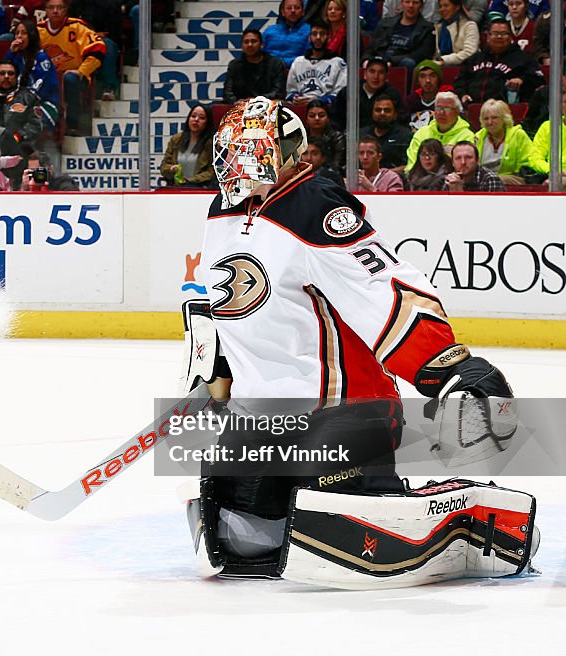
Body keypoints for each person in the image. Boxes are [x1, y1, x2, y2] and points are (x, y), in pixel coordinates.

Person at [188, 97, 524, 583]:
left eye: (251, 152)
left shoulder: (316, 206)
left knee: (334, 533)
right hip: (260, 407)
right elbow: (224, 300)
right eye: (231, 152)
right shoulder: (221, 211)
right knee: (240, 537)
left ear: (286, 152)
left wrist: (445, 365)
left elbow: (382, 285)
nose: (237, 166)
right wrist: (214, 366)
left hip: (342, 407)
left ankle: (458, 519)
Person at [38, 0, 107, 135]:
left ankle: (72, 125)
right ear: (45, 11)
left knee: (70, 79)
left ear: (66, 10)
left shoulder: (77, 26)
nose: (55, 11)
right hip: (47, 77)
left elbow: (99, 48)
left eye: (60, 7)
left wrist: (82, 71)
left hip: (75, 76)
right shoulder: (38, 30)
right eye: (51, 8)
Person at [454, 19, 544, 106]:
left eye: (504, 34)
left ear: (510, 37)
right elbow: (460, 81)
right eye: (495, 33)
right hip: (472, 107)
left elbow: (538, 80)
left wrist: (522, 80)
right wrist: (463, 95)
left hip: (505, 110)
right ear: (488, 36)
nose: (499, 37)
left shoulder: (524, 59)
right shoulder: (474, 59)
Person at [7, 19, 59, 131]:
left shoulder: (42, 58)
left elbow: (41, 88)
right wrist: (11, 53)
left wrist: (21, 104)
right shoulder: (17, 57)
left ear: (32, 36)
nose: (19, 37)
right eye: (17, 33)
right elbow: (5, 76)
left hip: (45, 104)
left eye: (24, 33)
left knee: (17, 117)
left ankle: (21, 144)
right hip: (20, 102)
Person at [474, 98, 537, 185]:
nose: (489, 122)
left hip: (514, 178)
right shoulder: (478, 137)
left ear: (504, 118)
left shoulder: (518, 135)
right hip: (484, 179)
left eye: (494, 118)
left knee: (496, 180)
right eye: (486, 119)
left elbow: (528, 163)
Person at [405, 90, 474, 168]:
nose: (441, 112)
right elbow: (412, 164)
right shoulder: (422, 133)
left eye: (447, 108)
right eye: (438, 108)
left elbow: (464, 167)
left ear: (457, 112)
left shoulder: (466, 136)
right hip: (421, 178)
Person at [286, 22, 348, 108]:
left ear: (329, 38)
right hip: (300, 106)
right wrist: (295, 98)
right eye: (314, 34)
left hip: (327, 109)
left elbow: (340, 93)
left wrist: (320, 101)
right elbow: (290, 92)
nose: (318, 37)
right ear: (309, 38)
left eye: (322, 34)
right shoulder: (298, 62)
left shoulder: (338, 63)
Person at [333, 56, 403, 127]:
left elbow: (400, 121)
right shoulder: (349, 92)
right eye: (372, 71)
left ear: (386, 77)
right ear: (365, 74)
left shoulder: (392, 95)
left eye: (381, 72)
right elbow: (337, 120)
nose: (376, 76)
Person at [223, 28, 287, 105]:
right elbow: (228, 92)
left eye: (254, 41)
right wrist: (236, 102)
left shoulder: (275, 64)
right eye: (246, 42)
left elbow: (279, 92)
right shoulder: (234, 65)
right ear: (242, 45)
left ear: (261, 44)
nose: (250, 45)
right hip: (241, 107)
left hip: (268, 106)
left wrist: (256, 101)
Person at [365, 0, 435, 69]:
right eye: (407, 2)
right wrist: (365, 60)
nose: (411, 6)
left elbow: (421, 55)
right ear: (401, 4)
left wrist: (391, 61)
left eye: (415, 3)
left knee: (409, 62)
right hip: (380, 61)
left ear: (421, 5)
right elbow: (371, 49)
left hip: (403, 63)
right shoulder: (385, 24)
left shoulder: (427, 28)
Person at [159, 103, 214, 188]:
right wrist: (171, 168)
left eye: (202, 118)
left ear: (207, 122)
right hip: (175, 188)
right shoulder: (176, 139)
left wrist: (191, 180)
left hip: (201, 188)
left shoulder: (212, 143)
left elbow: (212, 172)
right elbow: (164, 166)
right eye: (193, 116)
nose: (196, 120)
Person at [361, 96, 412, 169]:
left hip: (394, 178)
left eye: (387, 110)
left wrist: (384, 176)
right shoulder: (361, 135)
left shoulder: (405, 136)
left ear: (395, 114)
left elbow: (408, 165)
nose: (382, 113)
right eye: (378, 110)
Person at [530, 90, 566, 186]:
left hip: (557, 180)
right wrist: (552, 171)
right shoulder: (548, 127)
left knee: (555, 184)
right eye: (565, 102)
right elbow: (535, 158)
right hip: (552, 175)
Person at [442, 140, 506, 190]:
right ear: (452, 162)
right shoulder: (451, 179)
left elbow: (493, 206)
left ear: (477, 160)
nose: (463, 162)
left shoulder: (490, 179)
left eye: (468, 157)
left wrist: (459, 192)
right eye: (458, 158)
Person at [262, 0, 310, 67]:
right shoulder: (269, 31)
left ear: (303, 12)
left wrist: (284, 64)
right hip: (270, 71)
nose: (293, 11)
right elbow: (260, 54)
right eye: (289, 8)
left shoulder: (309, 31)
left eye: (297, 8)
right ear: (283, 12)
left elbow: (309, 57)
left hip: (297, 71)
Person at [304, 99, 347, 173]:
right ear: (306, 120)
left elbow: (337, 165)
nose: (317, 118)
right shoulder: (300, 137)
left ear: (328, 119)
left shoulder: (337, 137)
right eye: (312, 116)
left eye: (321, 115)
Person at [432, 0, 478, 67]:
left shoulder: (470, 26)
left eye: (446, 6)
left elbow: (470, 52)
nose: (442, 9)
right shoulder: (438, 27)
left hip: (465, 68)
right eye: (440, 6)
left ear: (457, 7)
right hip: (440, 67)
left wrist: (444, 61)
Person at [405, 59, 447, 130]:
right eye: (422, 76)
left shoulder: (447, 100)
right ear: (417, 81)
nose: (428, 80)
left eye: (432, 76)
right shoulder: (411, 100)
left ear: (438, 79)